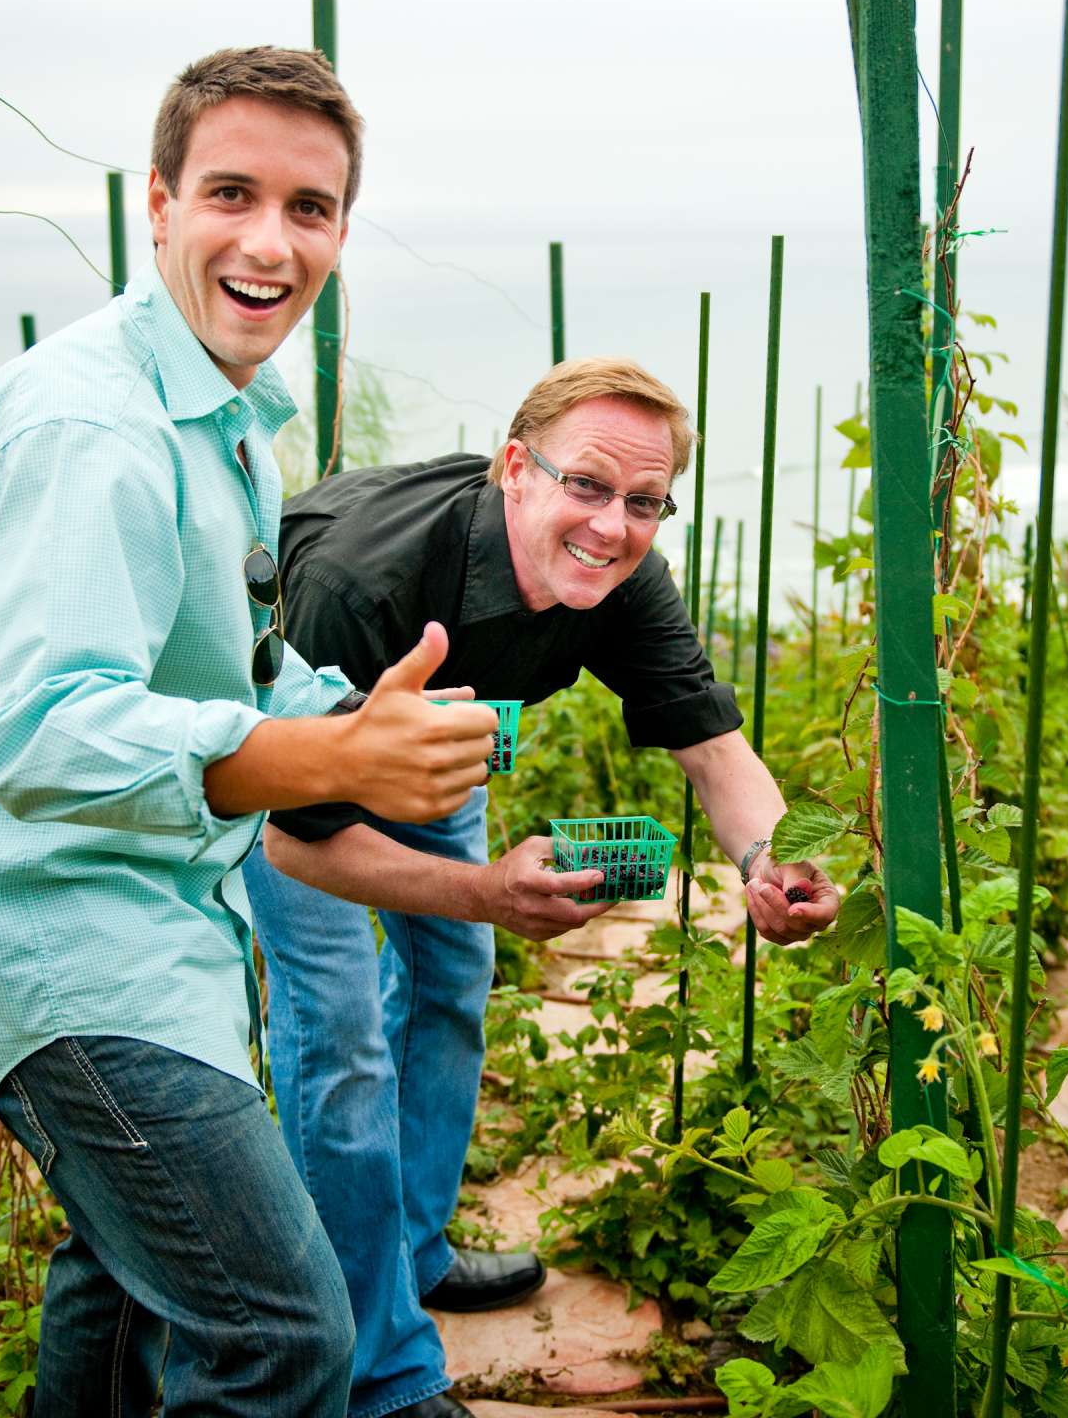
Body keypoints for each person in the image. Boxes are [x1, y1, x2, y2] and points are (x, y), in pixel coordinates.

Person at [0, 47, 598, 1417]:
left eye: (313, 208)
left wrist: (342, 714)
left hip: (155, 938)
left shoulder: (219, 423)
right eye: (233, 193)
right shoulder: (92, 426)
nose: (272, 242)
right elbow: (45, 735)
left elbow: (226, 663)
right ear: (156, 203)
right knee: (283, 1335)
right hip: (71, 964)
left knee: (119, 1297)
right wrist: (336, 760)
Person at [245, 358, 844, 1418]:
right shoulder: (358, 583)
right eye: (587, 486)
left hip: (449, 727)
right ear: (515, 468)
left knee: (450, 974)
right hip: (305, 734)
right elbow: (295, 844)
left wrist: (769, 862)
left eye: (645, 502)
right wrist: (483, 886)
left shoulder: (622, 573)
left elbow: (715, 749)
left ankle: (415, 1248)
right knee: (336, 1033)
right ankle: (373, 1369)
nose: (614, 526)